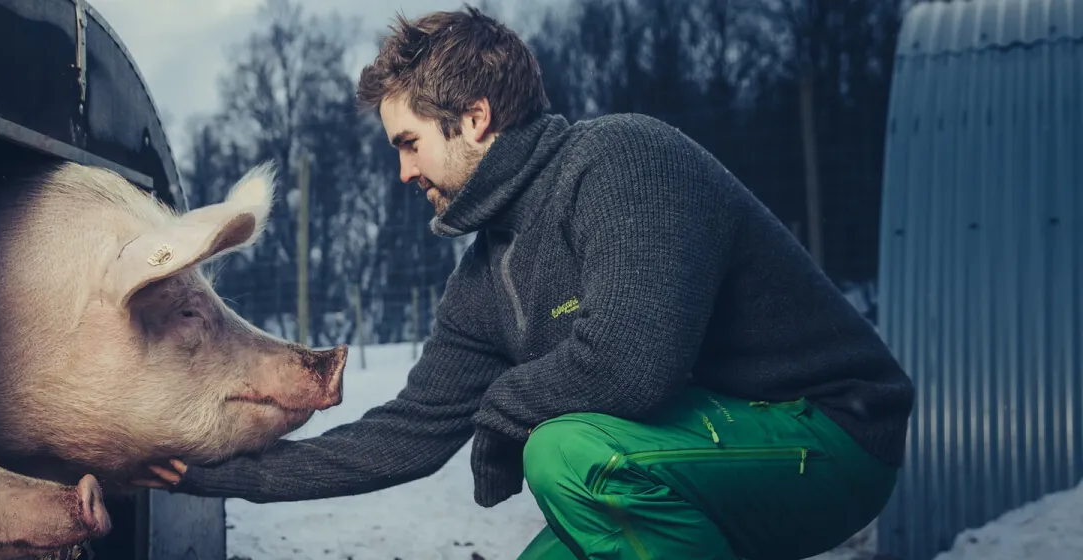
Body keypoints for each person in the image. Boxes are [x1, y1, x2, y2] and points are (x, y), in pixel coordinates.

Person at [137, 6, 916, 559]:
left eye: (408, 143)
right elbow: (403, 436)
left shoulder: (622, 161)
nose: (403, 171)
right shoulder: (488, 272)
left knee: (565, 453)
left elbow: (631, 366)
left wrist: (504, 410)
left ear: (473, 118)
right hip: (693, 449)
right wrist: (216, 476)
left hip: (829, 435)